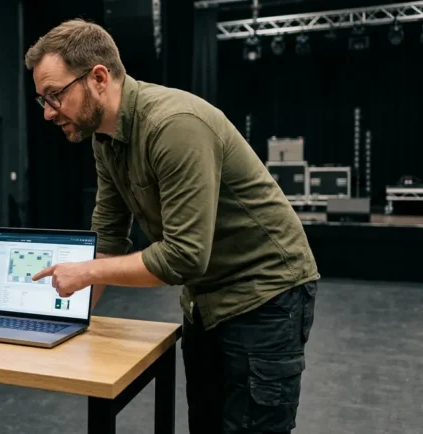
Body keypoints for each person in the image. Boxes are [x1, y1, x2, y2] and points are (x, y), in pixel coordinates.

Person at [25, 19, 319, 434]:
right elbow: (108, 238)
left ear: (98, 78)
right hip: (205, 300)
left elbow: (184, 256)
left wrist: (86, 272)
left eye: (54, 96)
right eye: (42, 99)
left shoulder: (174, 125)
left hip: (266, 294)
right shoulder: (104, 140)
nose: (48, 113)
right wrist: (66, 325)